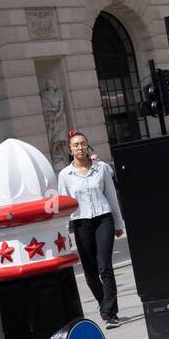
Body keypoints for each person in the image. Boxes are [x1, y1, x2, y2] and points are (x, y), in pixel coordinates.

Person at [57, 130, 125, 328]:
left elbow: (111, 196)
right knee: (90, 273)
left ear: (88, 146)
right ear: (70, 150)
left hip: (104, 219)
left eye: (83, 144)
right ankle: (104, 303)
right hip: (81, 222)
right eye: (76, 145)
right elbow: (63, 206)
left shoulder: (101, 168)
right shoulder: (65, 175)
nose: (80, 147)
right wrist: (64, 233)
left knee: (105, 267)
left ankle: (110, 313)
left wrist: (118, 223)